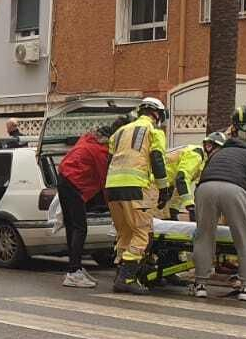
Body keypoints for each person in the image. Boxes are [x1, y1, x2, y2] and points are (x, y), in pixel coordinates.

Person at [105, 98, 171, 295]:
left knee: (124, 232)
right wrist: (164, 188)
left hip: (112, 187)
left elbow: (108, 161)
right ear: (157, 114)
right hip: (135, 187)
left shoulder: (118, 133)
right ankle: (126, 278)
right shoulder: (154, 132)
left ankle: (120, 274)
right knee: (142, 231)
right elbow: (157, 159)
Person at [192, 129, 246, 301]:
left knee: (204, 236)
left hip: (205, 188)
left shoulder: (218, 154)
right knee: (244, 239)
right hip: (235, 190)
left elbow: (203, 176)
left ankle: (200, 285)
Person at [55, 124, 111, 289]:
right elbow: (104, 181)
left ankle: (75, 268)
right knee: (80, 228)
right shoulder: (99, 152)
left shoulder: (86, 139)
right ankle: (73, 272)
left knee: (72, 227)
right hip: (74, 185)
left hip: (63, 179)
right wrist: (112, 205)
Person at [165, 133, 216, 219]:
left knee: (162, 222)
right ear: (209, 146)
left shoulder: (201, 160)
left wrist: (174, 209)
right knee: (151, 224)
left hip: (162, 184)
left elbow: (182, 186)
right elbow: (181, 179)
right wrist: (190, 207)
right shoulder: (196, 155)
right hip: (154, 183)